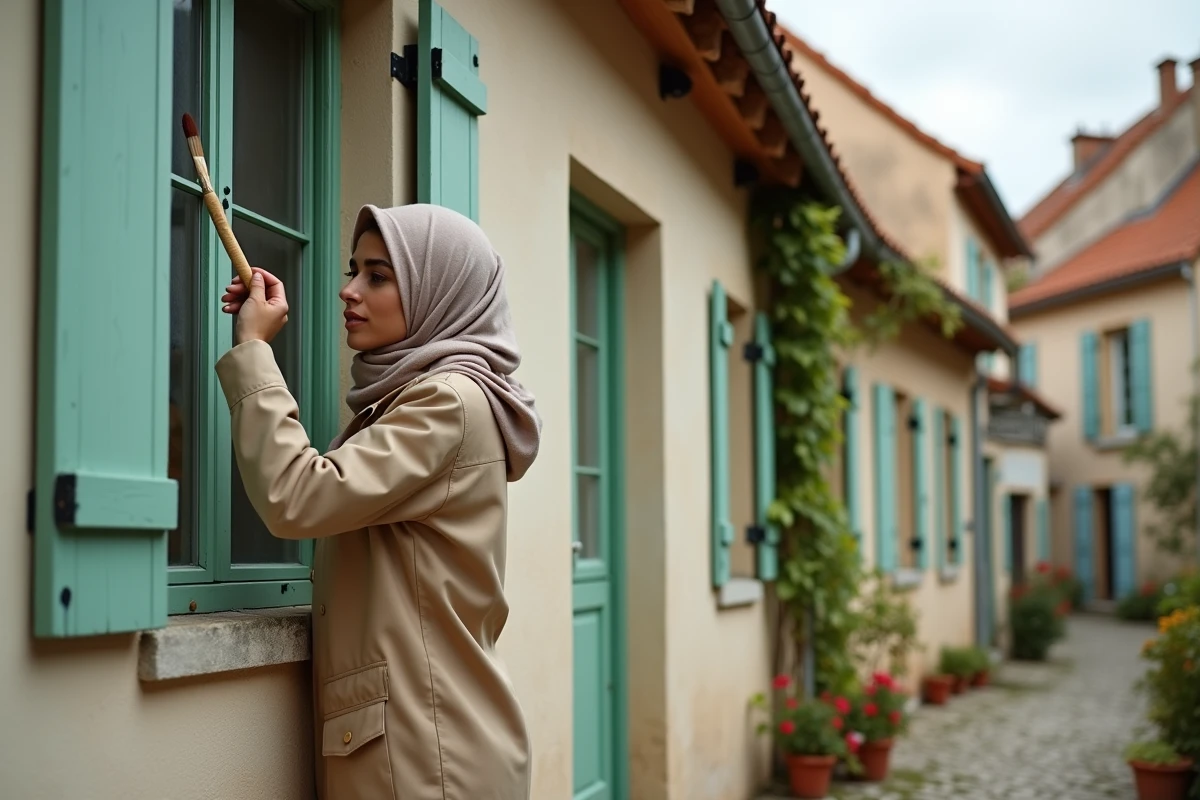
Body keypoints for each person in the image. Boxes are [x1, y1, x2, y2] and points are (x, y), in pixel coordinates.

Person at [215, 203, 541, 800]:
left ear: (438, 291)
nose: (349, 291)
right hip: (426, 746)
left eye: (378, 276)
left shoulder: (447, 402)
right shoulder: (419, 397)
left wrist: (254, 350)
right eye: (353, 270)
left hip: (429, 762)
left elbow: (299, 496)